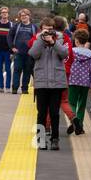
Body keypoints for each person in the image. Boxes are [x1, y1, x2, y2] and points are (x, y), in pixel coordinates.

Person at [29, 17, 68, 150]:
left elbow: (64, 53)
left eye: (50, 29)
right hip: (41, 81)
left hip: (57, 82)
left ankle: (55, 139)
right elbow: (33, 54)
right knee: (41, 112)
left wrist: (53, 42)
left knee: (54, 113)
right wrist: (41, 40)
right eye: (46, 30)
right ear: (41, 29)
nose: (48, 32)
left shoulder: (61, 38)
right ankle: (40, 139)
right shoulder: (37, 39)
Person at [67, 28, 91, 135]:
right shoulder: (90, 54)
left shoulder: (71, 51)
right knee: (82, 103)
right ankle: (80, 124)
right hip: (85, 82)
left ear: (76, 41)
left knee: (72, 102)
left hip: (72, 80)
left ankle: (73, 121)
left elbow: (67, 64)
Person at [9, 8, 37, 95]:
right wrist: (12, 47)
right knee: (17, 70)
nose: (23, 17)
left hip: (29, 54)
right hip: (19, 53)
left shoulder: (34, 27)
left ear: (29, 16)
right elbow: (9, 37)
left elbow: (38, 39)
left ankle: (25, 89)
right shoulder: (16, 26)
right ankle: (14, 88)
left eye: (25, 15)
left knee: (27, 71)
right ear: (20, 17)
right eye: (22, 16)